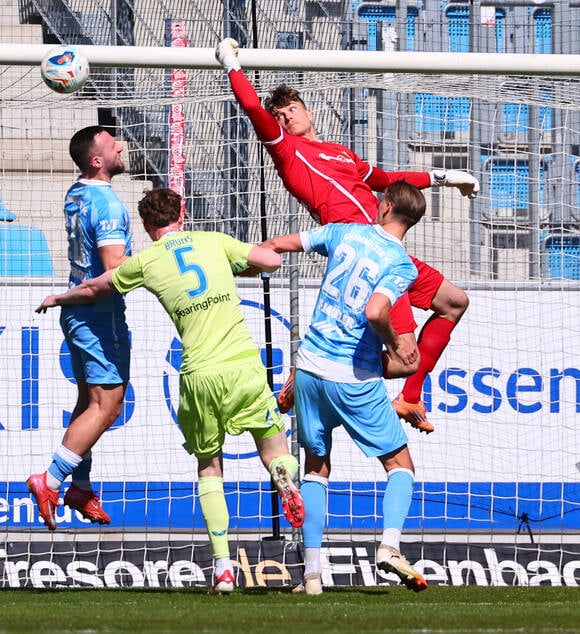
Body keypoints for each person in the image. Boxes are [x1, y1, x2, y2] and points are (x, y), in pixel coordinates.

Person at [36, 187, 304, 593]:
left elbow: (94, 288)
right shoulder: (213, 241)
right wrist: (235, 266)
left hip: (199, 375)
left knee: (210, 468)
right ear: (183, 213)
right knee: (274, 449)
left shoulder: (146, 261)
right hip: (244, 367)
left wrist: (59, 298)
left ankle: (223, 570)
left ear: (146, 226)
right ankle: (284, 477)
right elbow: (271, 260)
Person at [215, 38, 478, 434]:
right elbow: (253, 108)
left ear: (308, 110)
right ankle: (310, 373)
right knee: (403, 358)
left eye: (291, 109)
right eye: (280, 115)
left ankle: (408, 397)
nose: (285, 118)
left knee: (455, 302)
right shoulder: (287, 150)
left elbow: (387, 180)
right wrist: (231, 64)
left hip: (387, 247)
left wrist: (445, 177)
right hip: (361, 254)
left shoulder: (341, 152)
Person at [261, 181, 430, 595]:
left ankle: (312, 576)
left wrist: (254, 259)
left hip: (308, 369)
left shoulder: (345, 232)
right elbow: (375, 311)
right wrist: (394, 342)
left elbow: (282, 244)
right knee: (400, 465)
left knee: (316, 468)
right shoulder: (401, 264)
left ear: (385, 206)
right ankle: (389, 546)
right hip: (353, 376)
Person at [26, 125, 132, 530]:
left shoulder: (77, 192)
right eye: (111, 144)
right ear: (97, 160)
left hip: (78, 311)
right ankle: (51, 480)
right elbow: (114, 269)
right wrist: (158, 263)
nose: (120, 146)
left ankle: (81, 486)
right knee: (109, 406)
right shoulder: (108, 204)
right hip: (99, 313)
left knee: (89, 402)